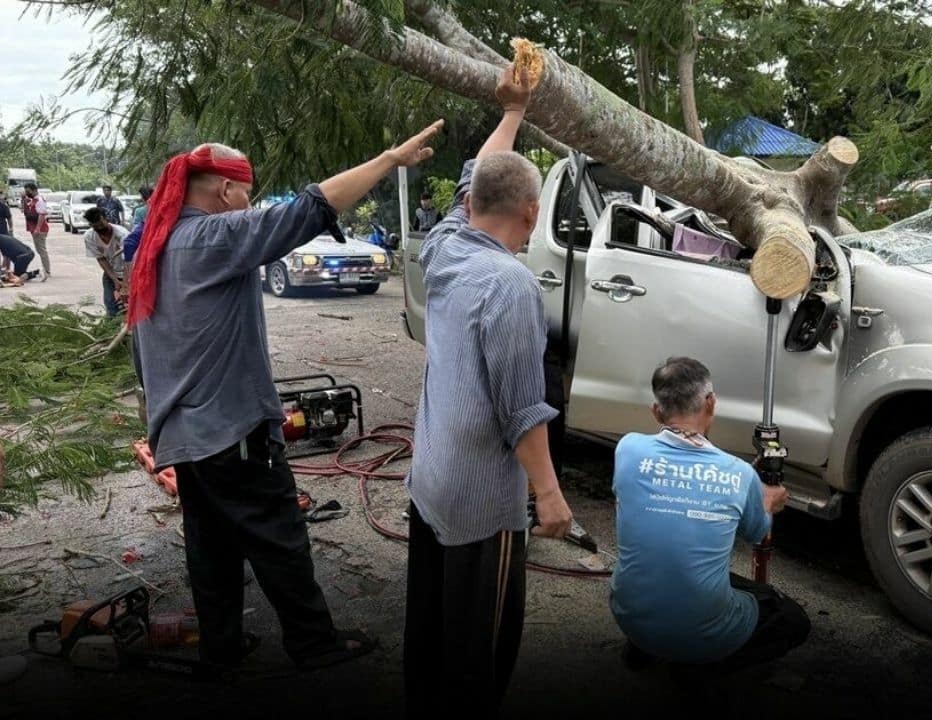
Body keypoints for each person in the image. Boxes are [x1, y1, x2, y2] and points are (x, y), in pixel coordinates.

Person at [130, 122, 443, 670]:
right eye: (247, 192)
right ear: (226, 191)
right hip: (230, 430)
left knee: (212, 549)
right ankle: (313, 644)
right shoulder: (214, 236)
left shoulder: (158, 245)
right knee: (279, 535)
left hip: (182, 435)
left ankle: (222, 649)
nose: (249, 202)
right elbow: (310, 208)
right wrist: (389, 159)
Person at [404, 64, 573, 716]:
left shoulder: (445, 250)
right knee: (481, 646)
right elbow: (521, 411)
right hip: (480, 501)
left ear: (471, 205)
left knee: (431, 628)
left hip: (430, 480)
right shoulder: (511, 285)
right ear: (532, 213)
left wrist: (513, 111)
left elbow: (478, 177)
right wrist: (550, 495)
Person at [610, 357, 809, 671]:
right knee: (793, 620)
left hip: (628, 615)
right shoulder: (739, 473)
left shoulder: (628, 449)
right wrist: (766, 502)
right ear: (711, 403)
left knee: (669, 559)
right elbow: (756, 534)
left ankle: (644, 646)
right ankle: (700, 663)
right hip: (704, 633)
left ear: (656, 411)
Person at [81, 208, 129, 316]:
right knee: (111, 305)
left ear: (106, 219)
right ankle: (113, 327)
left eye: (101, 224)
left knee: (130, 305)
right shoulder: (89, 237)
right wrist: (116, 280)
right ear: (91, 225)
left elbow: (128, 260)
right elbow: (101, 259)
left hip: (129, 271)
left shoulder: (122, 234)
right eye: (95, 226)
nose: (99, 228)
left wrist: (125, 284)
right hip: (110, 273)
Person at [21, 183, 49, 280]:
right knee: (40, 250)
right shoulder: (32, 200)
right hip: (34, 228)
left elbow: (42, 215)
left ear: (34, 190)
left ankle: (47, 270)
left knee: (41, 250)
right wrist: (23, 200)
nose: (27, 193)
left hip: (39, 229)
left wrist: (38, 228)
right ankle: (46, 269)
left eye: (28, 191)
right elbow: (25, 212)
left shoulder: (39, 200)